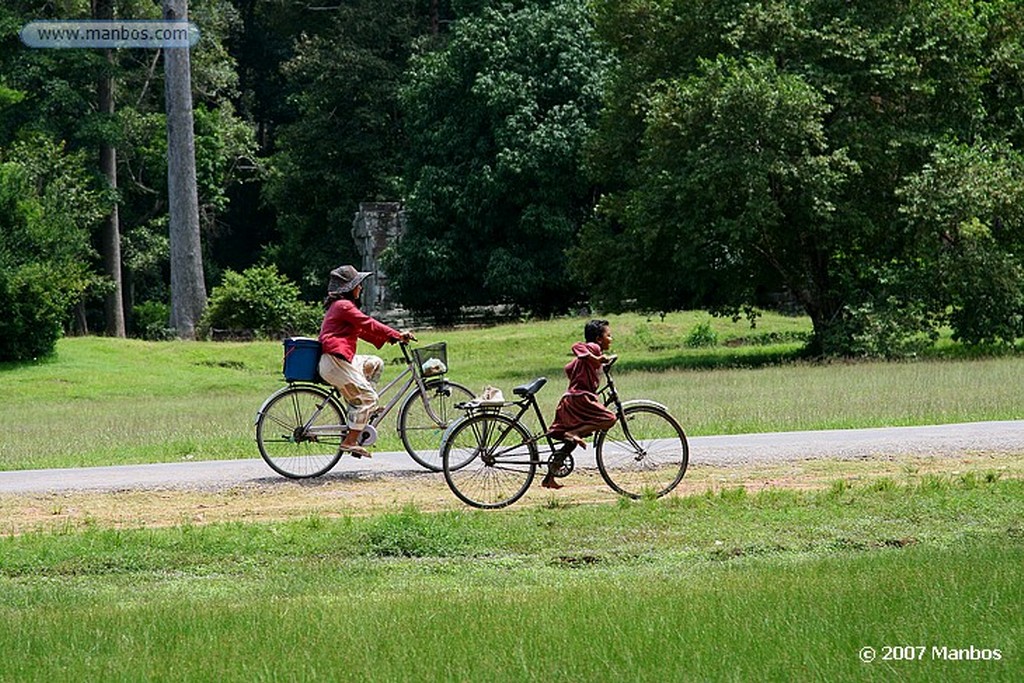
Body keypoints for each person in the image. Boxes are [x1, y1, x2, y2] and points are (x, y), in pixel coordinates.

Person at [318, 265, 415, 458]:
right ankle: (350, 440)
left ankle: (360, 412)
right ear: (349, 288)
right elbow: (367, 323)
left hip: (340, 360)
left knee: (375, 363)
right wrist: (396, 333)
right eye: (358, 285)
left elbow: (362, 331)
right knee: (370, 398)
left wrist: (391, 338)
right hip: (335, 362)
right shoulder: (343, 306)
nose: (360, 288)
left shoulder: (341, 307)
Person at [542, 319, 618, 489]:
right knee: (610, 418)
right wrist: (597, 358)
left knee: (571, 442)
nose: (611, 339)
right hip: (581, 399)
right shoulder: (594, 347)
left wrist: (593, 366)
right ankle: (574, 432)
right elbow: (578, 347)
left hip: (571, 399)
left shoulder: (591, 354)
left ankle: (549, 477)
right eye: (608, 335)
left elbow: (569, 368)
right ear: (599, 339)